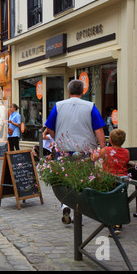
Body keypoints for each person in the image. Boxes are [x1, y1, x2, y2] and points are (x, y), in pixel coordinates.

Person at [45, 79, 106, 225]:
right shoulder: (90, 106)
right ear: (83, 91)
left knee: (66, 179)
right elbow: (99, 129)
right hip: (85, 150)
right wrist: (102, 148)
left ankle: (66, 205)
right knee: (83, 179)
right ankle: (80, 210)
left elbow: (50, 127)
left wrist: (57, 138)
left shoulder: (58, 106)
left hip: (64, 149)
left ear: (68, 91)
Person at [97, 129, 129, 234]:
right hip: (123, 180)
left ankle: (112, 222)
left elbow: (94, 158)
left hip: (109, 179)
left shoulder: (106, 150)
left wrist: (94, 153)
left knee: (110, 200)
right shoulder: (126, 152)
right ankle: (117, 223)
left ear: (110, 140)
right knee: (119, 200)